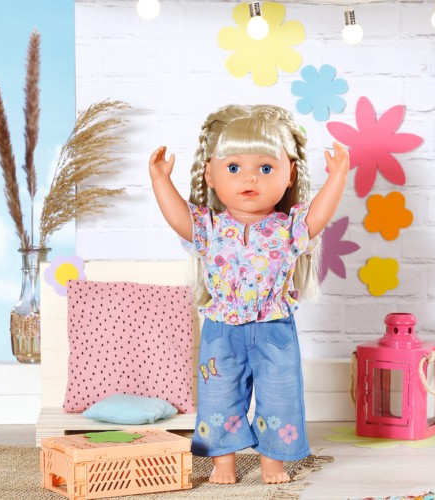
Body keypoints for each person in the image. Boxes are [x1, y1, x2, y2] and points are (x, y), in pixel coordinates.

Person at [149, 104, 349, 484]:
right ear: (210, 174)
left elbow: (318, 216)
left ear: (290, 174)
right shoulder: (209, 227)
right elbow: (178, 217)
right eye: (234, 167)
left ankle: (273, 461)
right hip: (222, 327)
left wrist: (338, 175)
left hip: (274, 327)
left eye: (266, 168)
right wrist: (160, 179)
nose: (250, 178)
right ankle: (222, 463)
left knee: (280, 394)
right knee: (218, 393)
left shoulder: (287, 228)